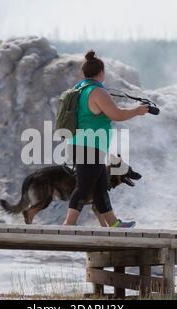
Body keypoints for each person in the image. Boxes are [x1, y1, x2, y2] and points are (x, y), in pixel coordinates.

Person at [63, 50, 149, 228]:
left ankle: (114, 223)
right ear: (101, 73)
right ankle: (68, 225)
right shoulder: (96, 92)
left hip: (81, 144)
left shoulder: (80, 90)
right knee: (84, 187)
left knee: (101, 186)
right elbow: (116, 114)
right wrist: (137, 111)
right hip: (89, 146)